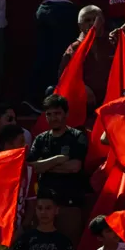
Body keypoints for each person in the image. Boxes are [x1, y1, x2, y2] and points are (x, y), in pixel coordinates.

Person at [27, 95, 88, 242]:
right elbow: (32, 167)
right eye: (49, 114)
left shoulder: (77, 136)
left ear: (66, 114)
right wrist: (57, 159)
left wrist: (45, 166)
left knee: (68, 248)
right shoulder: (40, 139)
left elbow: (75, 167)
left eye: (57, 113)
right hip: (44, 206)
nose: (53, 117)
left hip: (69, 203)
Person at [11, 194, 75, 250]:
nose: (43, 212)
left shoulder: (64, 242)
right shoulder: (25, 239)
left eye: (48, 208)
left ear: (56, 210)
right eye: (40, 208)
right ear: (35, 210)